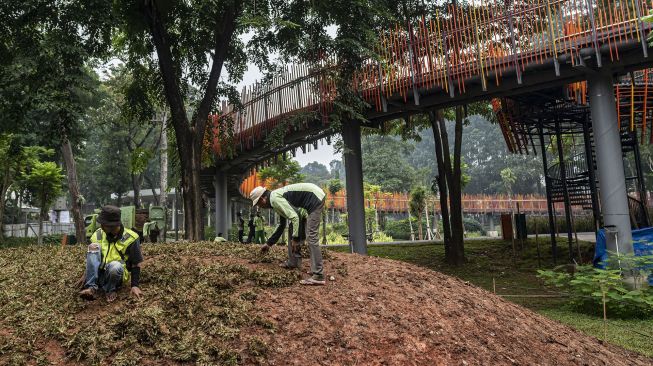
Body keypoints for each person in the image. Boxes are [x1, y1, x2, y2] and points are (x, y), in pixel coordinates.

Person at [250, 183, 326, 285]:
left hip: (314, 198)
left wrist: (295, 238)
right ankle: (293, 262)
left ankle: (318, 275)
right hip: (311, 199)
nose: (260, 207)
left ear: (262, 199)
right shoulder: (275, 198)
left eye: (259, 204)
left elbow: (295, 217)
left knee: (311, 236)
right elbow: (282, 225)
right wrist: (269, 244)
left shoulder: (274, 199)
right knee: (292, 227)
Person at [79, 205, 144, 302]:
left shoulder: (131, 238)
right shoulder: (98, 234)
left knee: (115, 266)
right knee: (93, 248)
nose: (101, 226)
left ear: (112, 225)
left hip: (116, 276)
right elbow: (92, 257)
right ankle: (91, 287)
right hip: (99, 275)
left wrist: (135, 285)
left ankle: (110, 289)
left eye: (103, 224)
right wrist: (86, 274)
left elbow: (136, 263)